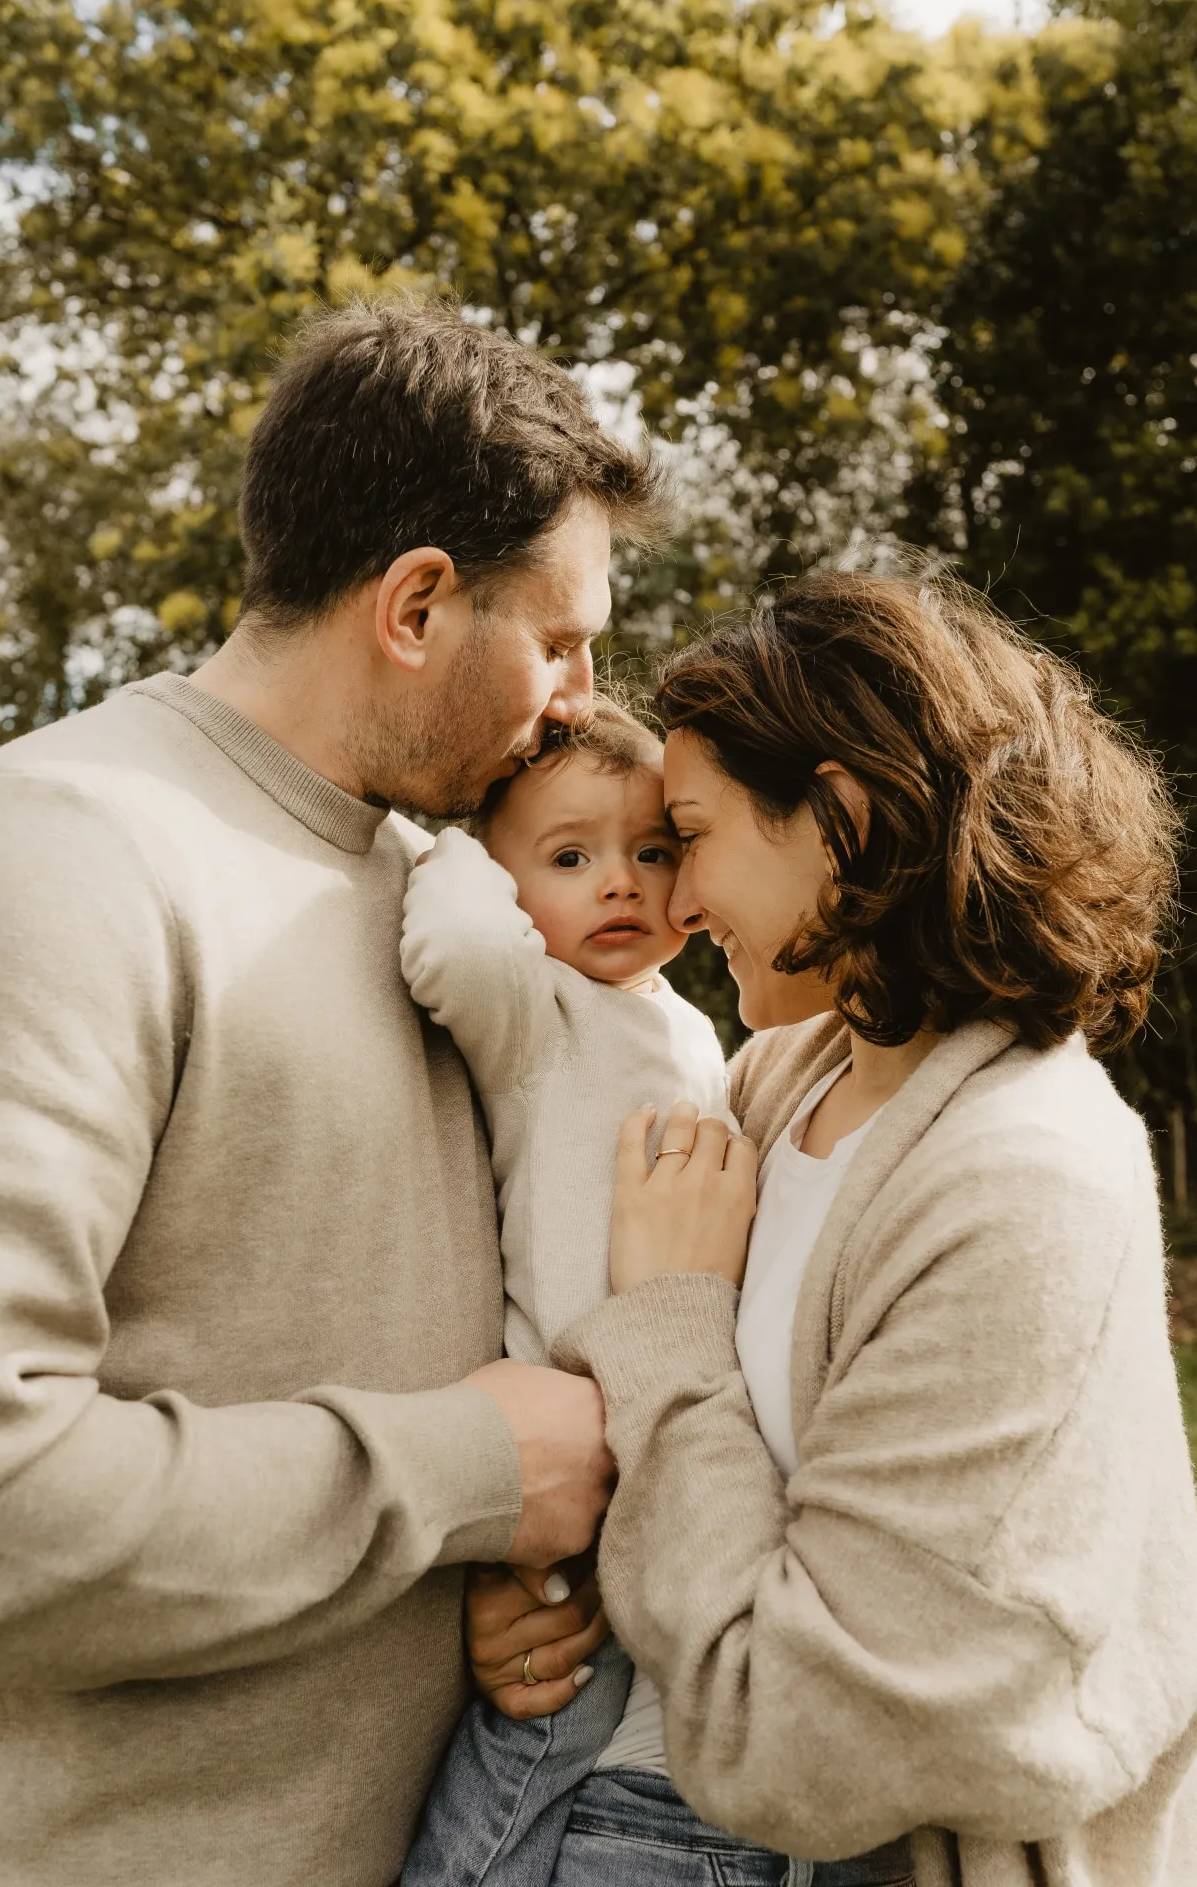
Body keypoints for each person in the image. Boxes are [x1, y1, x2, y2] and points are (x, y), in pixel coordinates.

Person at [0, 298, 669, 1887]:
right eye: (561, 639)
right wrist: (466, 1475)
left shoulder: (455, 895)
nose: (583, 699)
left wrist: (505, 1570)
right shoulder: (57, 855)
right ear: (414, 605)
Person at [469, 570, 1197, 1886]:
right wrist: (538, 1604)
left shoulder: (1018, 1184)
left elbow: (793, 1744)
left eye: (687, 833)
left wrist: (671, 1330)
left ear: (844, 816)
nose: (675, 904)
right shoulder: (786, 1081)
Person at [399, 698, 731, 1884]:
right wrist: (456, 839)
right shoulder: (534, 1012)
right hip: (568, 1442)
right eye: (569, 856)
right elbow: (452, 948)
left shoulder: (692, 1025)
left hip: (670, 1421)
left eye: (652, 851)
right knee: (544, 1721)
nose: (620, 886)